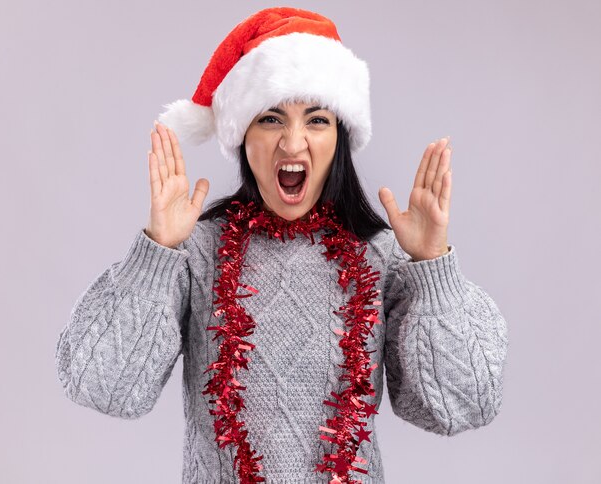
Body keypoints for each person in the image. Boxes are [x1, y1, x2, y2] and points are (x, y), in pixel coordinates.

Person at [54, 7, 509, 484]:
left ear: (340, 137)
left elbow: (465, 406)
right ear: (242, 135)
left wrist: (432, 269)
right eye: (271, 119)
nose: (293, 144)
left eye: (316, 120)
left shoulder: (382, 257)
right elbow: (99, 386)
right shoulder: (197, 252)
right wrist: (156, 254)